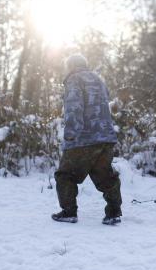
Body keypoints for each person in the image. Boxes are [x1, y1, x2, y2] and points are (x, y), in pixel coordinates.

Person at [51, 53, 122, 225]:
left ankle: (69, 212)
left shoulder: (74, 79)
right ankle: (113, 213)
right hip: (105, 137)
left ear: (71, 66)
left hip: (84, 138)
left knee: (65, 175)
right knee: (106, 176)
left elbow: (74, 108)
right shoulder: (98, 80)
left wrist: (71, 134)